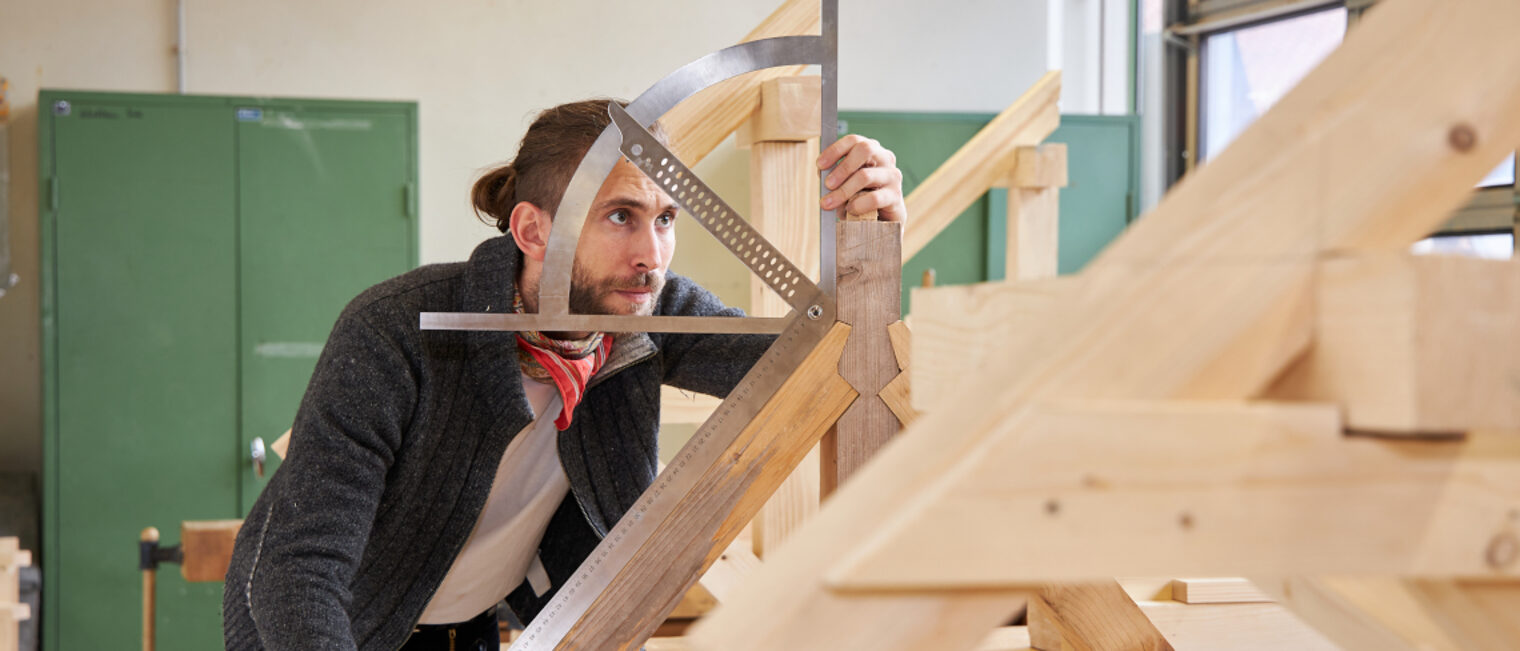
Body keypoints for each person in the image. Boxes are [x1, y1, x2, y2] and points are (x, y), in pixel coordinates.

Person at [222, 98, 906, 650]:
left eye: (665, 219)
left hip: (474, 628)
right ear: (531, 231)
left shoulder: (649, 311)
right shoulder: (394, 330)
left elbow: (828, 368)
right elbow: (298, 570)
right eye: (620, 216)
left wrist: (874, 242)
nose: (652, 254)